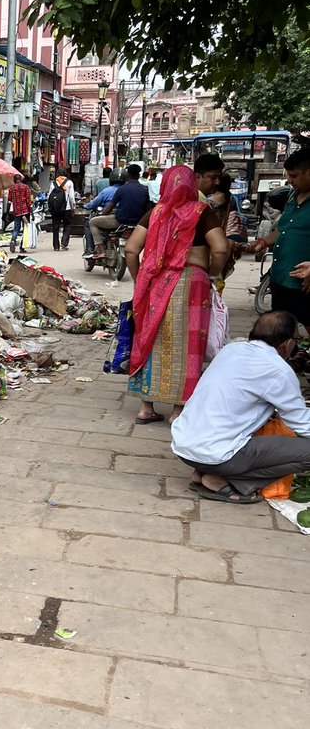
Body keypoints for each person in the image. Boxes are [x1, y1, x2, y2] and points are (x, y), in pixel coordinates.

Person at [125, 164, 229, 423]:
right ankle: (178, 411)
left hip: (156, 284)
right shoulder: (202, 213)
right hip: (192, 284)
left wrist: (140, 280)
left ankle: (146, 407)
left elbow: (130, 250)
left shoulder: (155, 213)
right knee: (187, 345)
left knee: (150, 339)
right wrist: (212, 273)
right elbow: (221, 249)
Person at [171, 310, 310, 503]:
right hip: (216, 455)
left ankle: (202, 472)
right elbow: (302, 423)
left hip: (183, 446)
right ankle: (227, 482)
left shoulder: (231, 349)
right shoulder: (278, 370)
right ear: (287, 344)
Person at [249, 145, 310, 336]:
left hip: (304, 280)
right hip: (281, 275)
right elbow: (285, 228)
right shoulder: (293, 196)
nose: (290, 181)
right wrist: (264, 241)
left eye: (294, 176)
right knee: (282, 326)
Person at [89, 164, 150, 255]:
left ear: (128, 175)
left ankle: (101, 250)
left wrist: (101, 214)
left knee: (92, 222)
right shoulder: (144, 189)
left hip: (120, 222)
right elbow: (147, 209)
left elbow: (109, 208)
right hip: (138, 224)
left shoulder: (121, 189)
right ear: (138, 175)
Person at [82, 179, 121, 254]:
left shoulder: (107, 191)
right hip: (126, 220)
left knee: (90, 222)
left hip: (112, 218)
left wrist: (85, 206)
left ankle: (92, 249)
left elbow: (93, 203)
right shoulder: (126, 190)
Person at [4, 173, 34, 252]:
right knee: (25, 229)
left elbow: (9, 202)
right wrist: (32, 213)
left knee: (16, 228)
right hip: (25, 211)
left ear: (14, 180)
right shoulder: (26, 187)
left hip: (17, 212)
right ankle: (22, 247)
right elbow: (29, 201)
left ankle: (13, 240)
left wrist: (7, 213)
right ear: (20, 179)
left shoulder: (11, 188)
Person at [48, 174, 75, 251]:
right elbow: (71, 197)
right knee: (67, 225)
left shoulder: (53, 183)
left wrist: (50, 208)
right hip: (67, 208)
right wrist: (73, 208)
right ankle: (64, 242)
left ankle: (56, 246)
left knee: (55, 227)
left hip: (56, 209)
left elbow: (49, 196)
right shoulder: (69, 183)